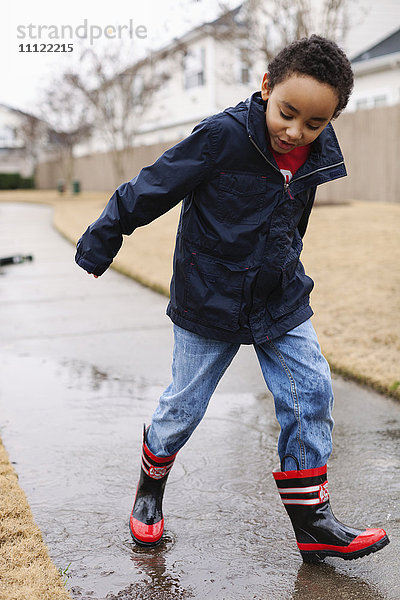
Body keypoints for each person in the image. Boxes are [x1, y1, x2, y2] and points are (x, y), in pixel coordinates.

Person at [75, 35, 389, 562]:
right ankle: (151, 486)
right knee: (184, 405)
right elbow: (154, 185)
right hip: (209, 294)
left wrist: (285, 261)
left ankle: (312, 520)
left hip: (278, 295)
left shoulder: (316, 153)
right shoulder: (221, 137)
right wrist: (105, 234)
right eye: (287, 114)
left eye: (314, 124)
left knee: (311, 392)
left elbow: (293, 221)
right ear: (266, 87)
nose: (296, 132)